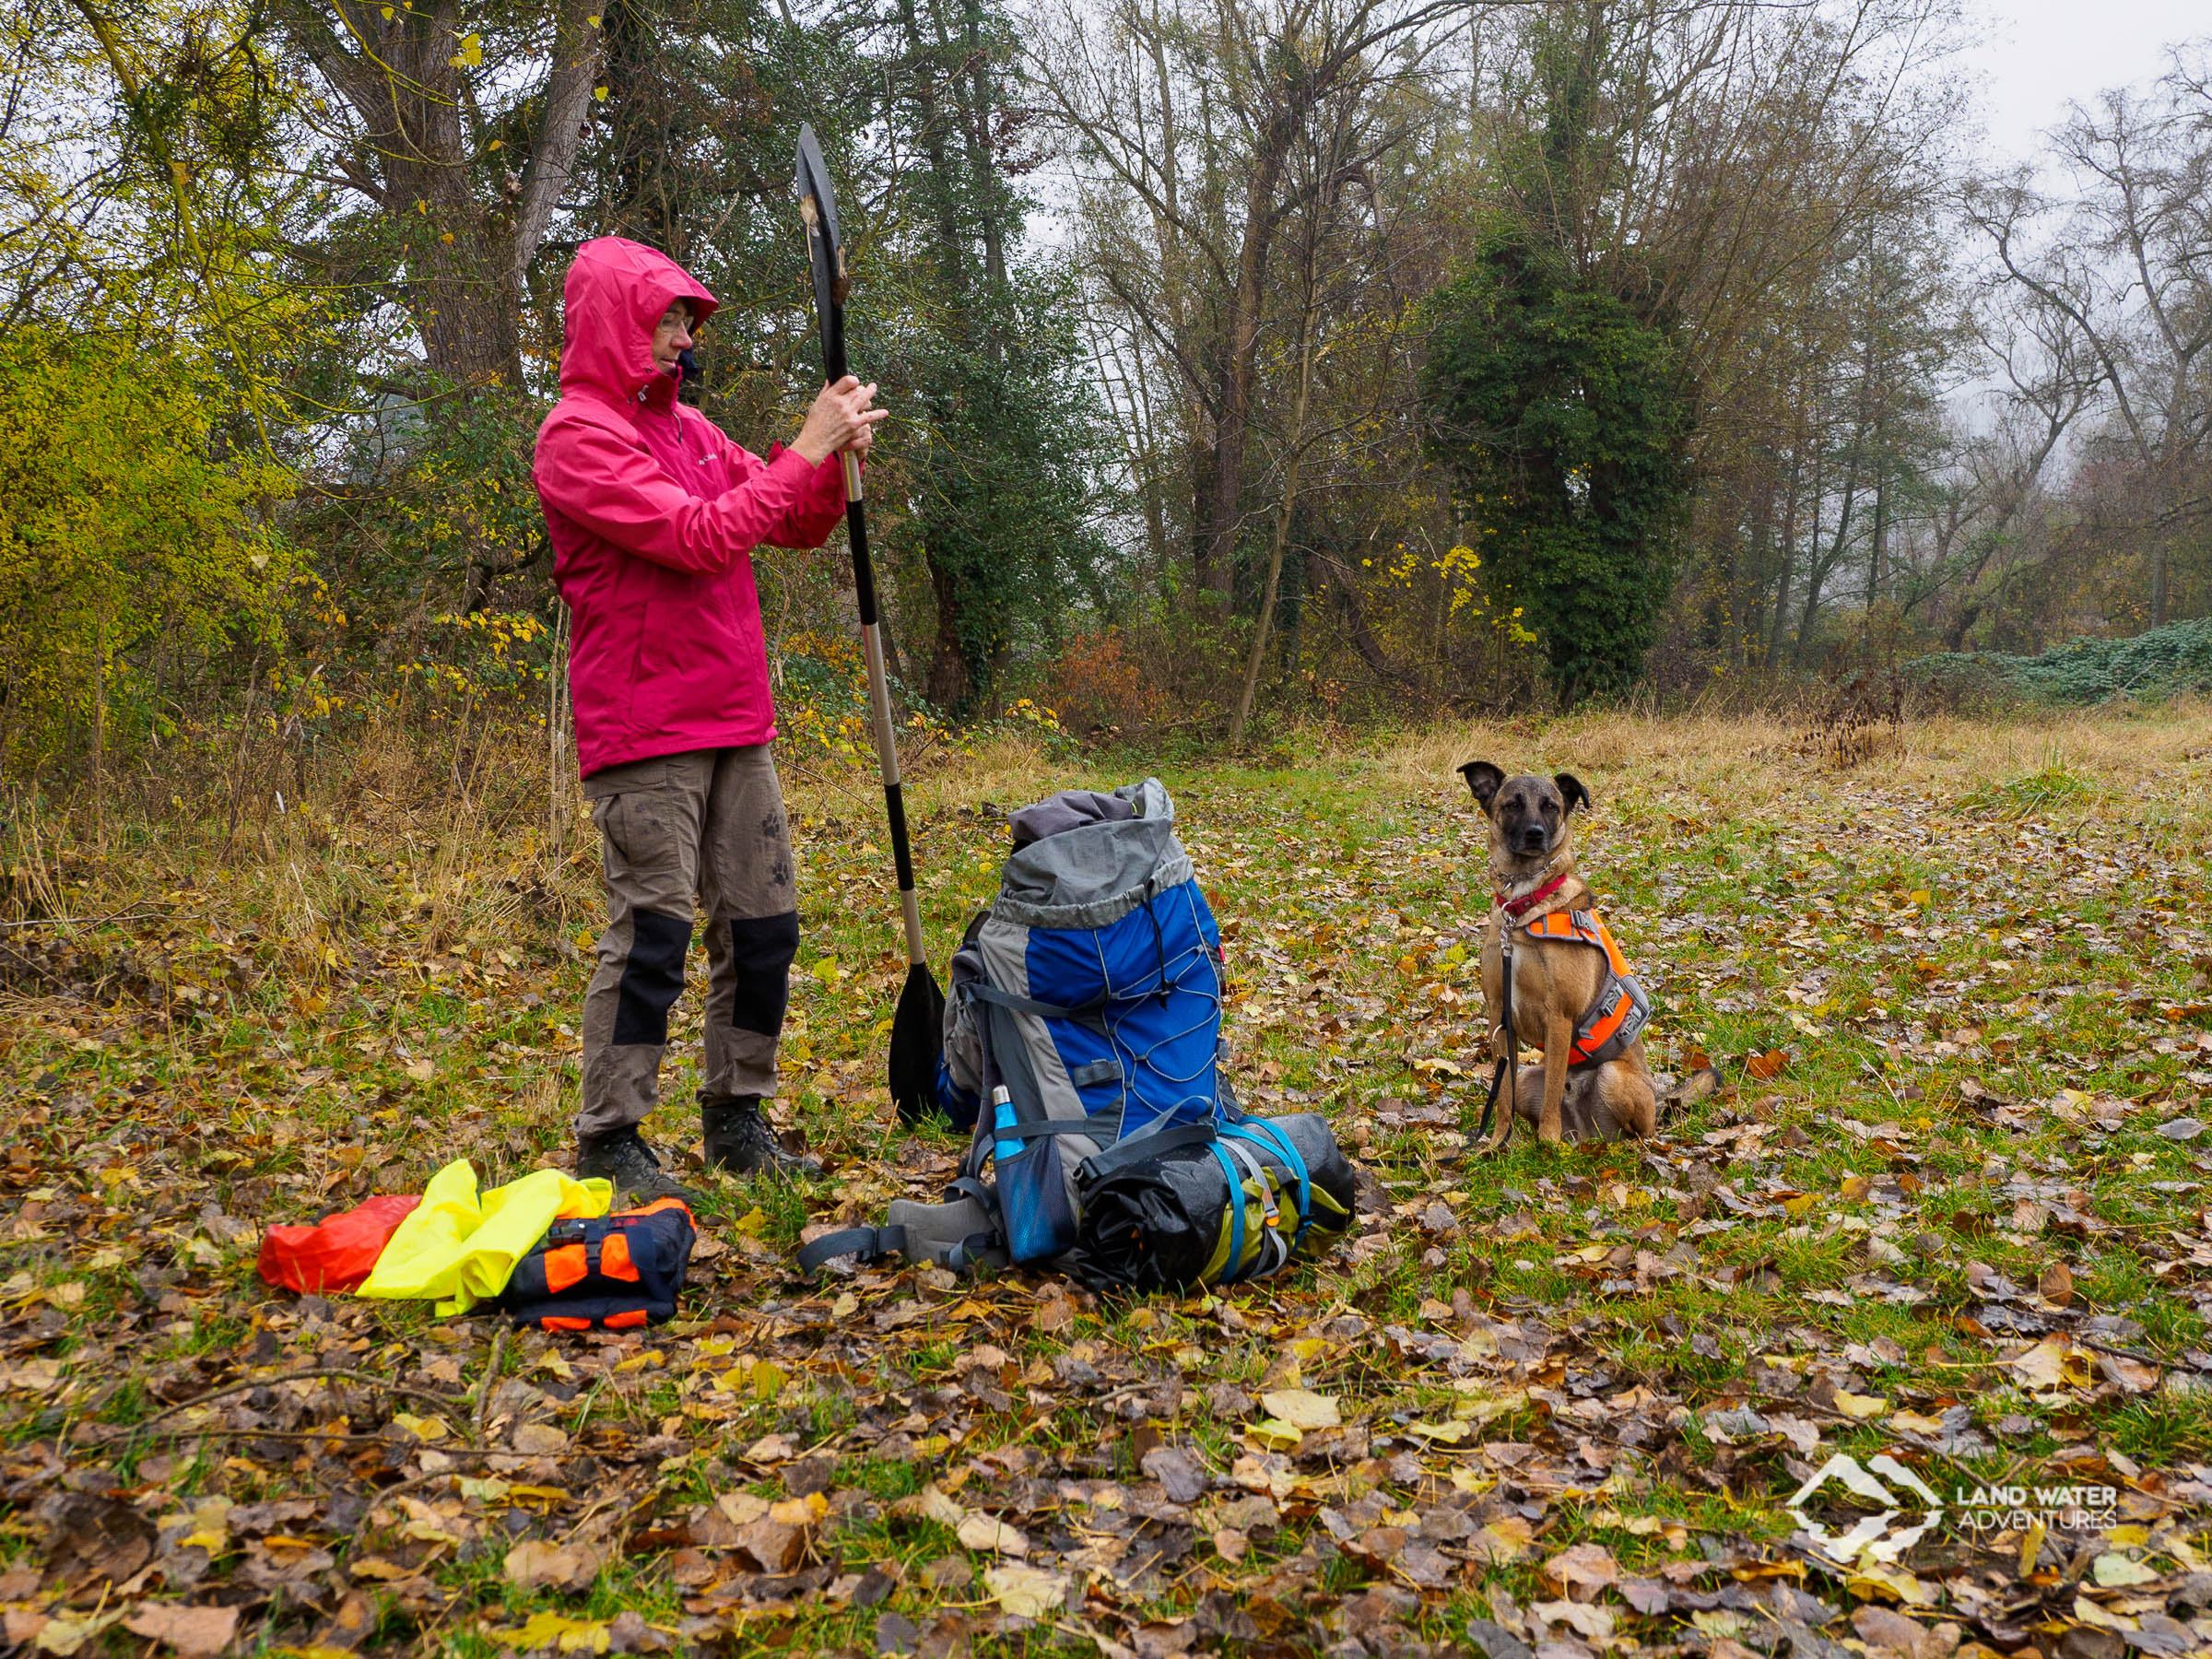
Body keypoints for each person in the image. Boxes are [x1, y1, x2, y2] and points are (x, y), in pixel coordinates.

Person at [534, 236, 888, 1203]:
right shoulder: (578, 437)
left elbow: (791, 523)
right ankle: (612, 1138)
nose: (685, 336)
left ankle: (738, 1122)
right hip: (646, 728)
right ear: (617, 320)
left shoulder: (691, 430)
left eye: (690, 320)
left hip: (738, 716)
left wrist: (830, 462)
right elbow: (696, 539)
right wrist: (804, 447)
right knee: (653, 934)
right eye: (670, 317)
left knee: (765, 924)